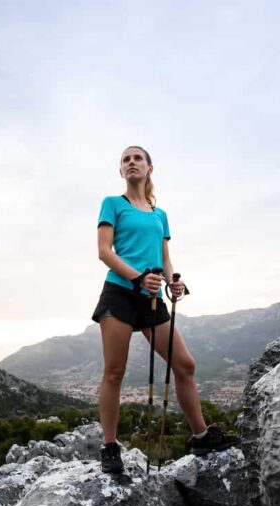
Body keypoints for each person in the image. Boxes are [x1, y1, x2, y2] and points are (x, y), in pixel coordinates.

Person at [92, 145, 238, 474]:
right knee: (114, 372)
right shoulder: (113, 204)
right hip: (120, 291)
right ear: (121, 171)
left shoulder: (160, 215)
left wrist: (174, 281)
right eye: (125, 160)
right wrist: (139, 277)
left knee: (184, 364)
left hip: (154, 294)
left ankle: (200, 436)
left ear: (149, 168)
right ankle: (110, 446)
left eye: (137, 158)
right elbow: (104, 252)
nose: (131, 163)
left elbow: (164, 255)